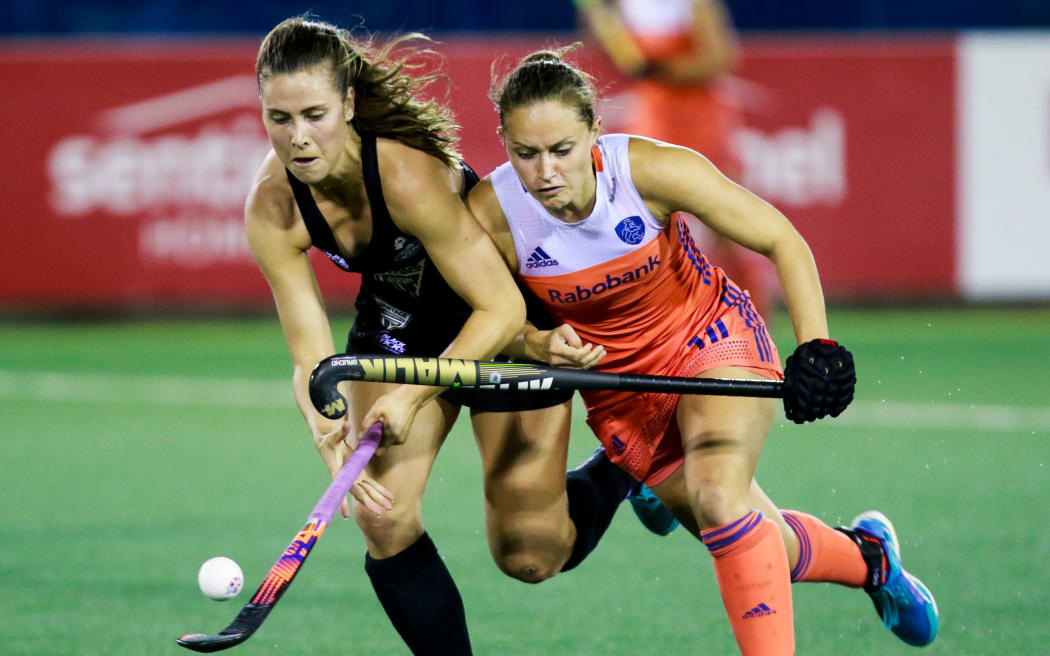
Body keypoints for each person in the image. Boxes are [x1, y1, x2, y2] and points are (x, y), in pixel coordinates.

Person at [465, 46, 939, 654]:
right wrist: (533, 340)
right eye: (525, 154)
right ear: (504, 142)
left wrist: (818, 343)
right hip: (624, 398)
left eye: (561, 150)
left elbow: (780, 238)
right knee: (755, 540)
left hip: (709, 343)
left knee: (719, 498)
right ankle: (872, 560)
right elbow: (488, 318)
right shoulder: (492, 215)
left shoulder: (650, 172)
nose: (546, 173)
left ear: (594, 132)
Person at [247, 17, 674, 655]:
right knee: (381, 513)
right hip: (398, 320)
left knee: (531, 556)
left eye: (314, 114)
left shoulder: (406, 175)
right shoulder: (272, 208)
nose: (298, 139)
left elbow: (499, 308)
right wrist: (324, 427)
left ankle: (622, 469)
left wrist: (416, 394)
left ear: (349, 105)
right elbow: (313, 359)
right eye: (279, 119)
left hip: (503, 319)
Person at [573, 0, 777, 322]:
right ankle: (656, 317)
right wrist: (598, 21)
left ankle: (754, 315)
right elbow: (614, 57)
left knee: (727, 224)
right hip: (653, 117)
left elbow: (719, 57)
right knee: (644, 220)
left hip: (701, 118)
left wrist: (662, 68)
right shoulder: (619, 6)